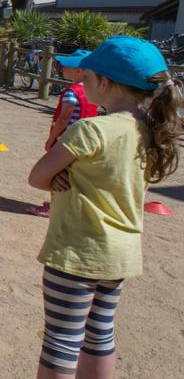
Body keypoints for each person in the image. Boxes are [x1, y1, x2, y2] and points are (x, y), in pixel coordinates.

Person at [28, 36, 181, 379]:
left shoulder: (91, 129)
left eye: (88, 76)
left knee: (62, 340)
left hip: (78, 251)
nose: (83, 80)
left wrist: (57, 176)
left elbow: (37, 176)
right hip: (119, 255)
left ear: (106, 82)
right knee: (100, 334)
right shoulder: (151, 130)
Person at [28, 49, 99, 217]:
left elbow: (64, 117)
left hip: (67, 139)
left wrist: (52, 138)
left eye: (65, 66)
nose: (61, 68)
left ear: (79, 71)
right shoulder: (91, 92)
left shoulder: (71, 92)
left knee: (56, 173)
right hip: (85, 139)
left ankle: (54, 207)